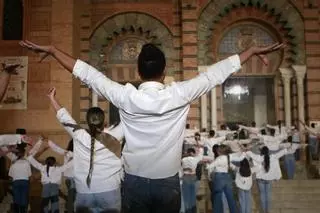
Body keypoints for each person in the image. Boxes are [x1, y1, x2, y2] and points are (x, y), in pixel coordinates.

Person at [20, 39, 284, 213]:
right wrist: (248, 51)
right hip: (168, 183)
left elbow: (88, 74)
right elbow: (214, 75)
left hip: (133, 183)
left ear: (137, 71)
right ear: (165, 70)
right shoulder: (180, 93)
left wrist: (54, 51)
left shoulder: (125, 95)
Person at [47, 87, 123, 213]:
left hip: (84, 191)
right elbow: (129, 121)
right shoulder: (115, 135)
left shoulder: (78, 134)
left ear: (87, 122)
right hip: (109, 190)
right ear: (104, 122)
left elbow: (64, 117)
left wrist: (52, 98)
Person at [246, 146, 294, 213]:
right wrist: (288, 148)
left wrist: (247, 149)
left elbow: (249, 153)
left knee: (262, 195)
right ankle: (267, 211)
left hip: (260, 180)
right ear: (268, 152)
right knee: (268, 195)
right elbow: (282, 152)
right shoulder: (273, 157)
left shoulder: (258, 158)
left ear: (261, 152)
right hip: (269, 180)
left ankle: (263, 211)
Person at [207, 145, 245, 213]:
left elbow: (210, 167)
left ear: (219, 152)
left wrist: (207, 165)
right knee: (231, 197)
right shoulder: (229, 157)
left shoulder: (219, 158)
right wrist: (244, 152)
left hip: (219, 178)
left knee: (217, 197)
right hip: (227, 177)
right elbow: (240, 158)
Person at [47, 139, 75, 213]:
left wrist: (49, 141)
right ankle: (70, 210)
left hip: (67, 178)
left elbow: (56, 148)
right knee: (72, 197)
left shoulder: (66, 153)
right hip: (74, 179)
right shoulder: (79, 154)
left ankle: (69, 209)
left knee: (70, 196)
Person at [181, 147, 204, 213]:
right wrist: (199, 147)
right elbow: (201, 153)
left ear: (187, 152)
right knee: (193, 196)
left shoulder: (183, 159)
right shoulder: (195, 159)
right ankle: (194, 211)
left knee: (186, 197)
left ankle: (188, 211)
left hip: (185, 177)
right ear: (193, 153)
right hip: (194, 177)